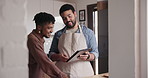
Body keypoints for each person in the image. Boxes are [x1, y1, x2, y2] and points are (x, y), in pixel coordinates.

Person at [49, 4, 99, 78]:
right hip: (63, 72)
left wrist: (88, 56)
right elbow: (51, 54)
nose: (67, 20)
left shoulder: (88, 33)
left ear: (75, 14)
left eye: (69, 16)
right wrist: (58, 56)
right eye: (64, 18)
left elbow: (95, 53)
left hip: (83, 73)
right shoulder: (58, 34)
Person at [27, 12, 68, 78]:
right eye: (49, 28)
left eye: (52, 28)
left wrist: (58, 56)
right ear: (39, 27)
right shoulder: (32, 39)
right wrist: (61, 75)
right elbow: (44, 62)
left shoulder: (38, 39)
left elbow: (41, 56)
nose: (52, 31)